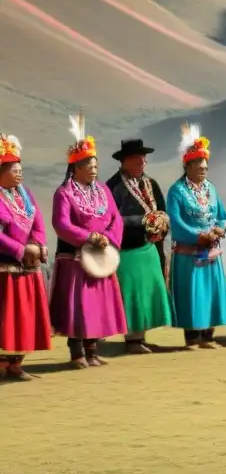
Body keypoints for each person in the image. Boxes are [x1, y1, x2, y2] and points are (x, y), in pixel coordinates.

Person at [49, 114, 128, 367]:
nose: (94, 170)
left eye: (96, 166)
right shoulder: (64, 193)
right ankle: (77, 352)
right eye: (89, 166)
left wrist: (108, 239)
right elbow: (61, 224)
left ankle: (93, 350)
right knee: (78, 307)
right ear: (77, 168)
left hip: (101, 256)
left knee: (96, 306)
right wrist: (88, 237)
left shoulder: (103, 190)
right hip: (76, 258)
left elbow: (116, 218)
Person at [166, 123, 226, 349]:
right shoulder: (176, 191)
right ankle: (192, 338)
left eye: (205, 164)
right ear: (188, 165)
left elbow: (223, 216)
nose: (203, 167)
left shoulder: (211, 189)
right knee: (192, 295)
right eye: (198, 163)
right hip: (189, 255)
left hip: (211, 253)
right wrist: (200, 235)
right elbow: (176, 224)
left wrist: (219, 230)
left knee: (211, 294)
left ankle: (208, 336)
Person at [106, 138, 172, 354]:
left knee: (146, 292)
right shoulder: (113, 187)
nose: (142, 162)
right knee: (132, 293)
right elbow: (112, 219)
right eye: (137, 159)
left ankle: (141, 336)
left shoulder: (150, 183)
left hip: (149, 247)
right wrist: (143, 222)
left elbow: (162, 210)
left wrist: (161, 224)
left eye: (143, 159)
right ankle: (132, 339)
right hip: (128, 249)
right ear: (124, 161)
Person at [0, 133, 52, 379]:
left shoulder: (26, 194)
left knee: (23, 316)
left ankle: (15, 364)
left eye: (21, 168)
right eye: (13, 169)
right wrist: (21, 250)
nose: (19, 173)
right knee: (6, 316)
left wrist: (39, 246)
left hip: (27, 267)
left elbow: (38, 223)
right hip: (5, 267)